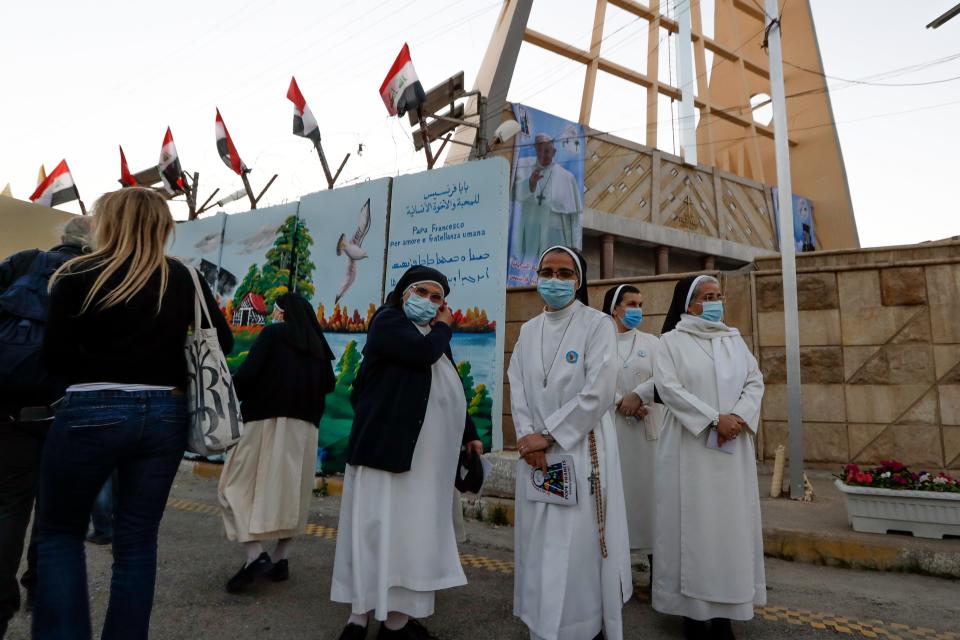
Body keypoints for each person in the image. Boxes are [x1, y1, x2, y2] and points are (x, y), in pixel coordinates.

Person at [34, 187, 233, 640]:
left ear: (106, 223)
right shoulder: (183, 277)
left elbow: (55, 358)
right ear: (163, 227)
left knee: (60, 535)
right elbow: (221, 343)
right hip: (165, 412)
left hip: (91, 407)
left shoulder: (75, 273)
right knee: (137, 542)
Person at [331, 265, 483, 640]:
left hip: (423, 462)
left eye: (437, 298)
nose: (429, 303)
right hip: (387, 451)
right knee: (374, 529)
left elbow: (447, 384)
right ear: (403, 293)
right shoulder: (388, 323)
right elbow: (420, 356)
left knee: (406, 536)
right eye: (423, 293)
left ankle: (395, 620)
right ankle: (360, 616)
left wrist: (470, 434)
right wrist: (445, 326)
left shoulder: (432, 336)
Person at [509, 246, 632, 640]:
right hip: (536, 456)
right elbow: (518, 387)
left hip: (581, 448)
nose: (555, 280)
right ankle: (542, 623)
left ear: (578, 281)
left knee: (580, 544)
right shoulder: (528, 331)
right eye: (547, 271)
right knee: (539, 541)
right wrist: (528, 438)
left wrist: (547, 436)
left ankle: (583, 626)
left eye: (565, 273)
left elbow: (599, 391)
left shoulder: (597, 325)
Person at [652, 275, 765, 640]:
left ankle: (725, 612)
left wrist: (739, 417)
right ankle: (693, 615)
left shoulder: (733, 339)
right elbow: (669, 388)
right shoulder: (670, 342)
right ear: (688, 303)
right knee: (691, 528)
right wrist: (715, 418)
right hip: (689, 448)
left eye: (718, 295)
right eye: (707, 296)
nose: (716, 302)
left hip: (731, 453)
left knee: (728, 531)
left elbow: (755, 381)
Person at [0, 216, 94, 639]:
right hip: (67, 409)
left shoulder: (23, 262)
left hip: (10, 410)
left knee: (8, 506)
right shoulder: (96, 277)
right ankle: (38, 588)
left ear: (62, 238)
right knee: (53, 509)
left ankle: (0, 604)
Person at [218, 291, 336, 593]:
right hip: (306, 431)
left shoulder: (273, 335)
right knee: (291, 496)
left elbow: (247, 377)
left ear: (283, 312)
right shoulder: (320, 347)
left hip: (264, 423)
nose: (274, 314)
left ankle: (255, 555)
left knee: (232, 487)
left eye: (276, 310)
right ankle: (281, 558)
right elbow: (329, 385)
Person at [600, 284, 664, 583]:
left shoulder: (652, 342)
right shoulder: (598, 342)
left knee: (650, 505)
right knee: (615, 504)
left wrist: (638, 395)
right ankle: (616, 577)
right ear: (614, 308)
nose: (637, 309)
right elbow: (592, 379)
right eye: (631, 304)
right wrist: (620, 402)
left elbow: (664, 378)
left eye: (640, 303)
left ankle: (658, 575)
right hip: (613, 435)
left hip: (646, 438)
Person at [513, 134, 582, 258]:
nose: (542, 154)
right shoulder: (523, 165)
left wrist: (576, 245)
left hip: (555, 236)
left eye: (547, 151)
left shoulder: (566, 177)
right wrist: (530, 183)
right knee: (528, 268)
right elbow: (514, 193)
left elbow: (575, 217)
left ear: (554, 152)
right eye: (539, 149)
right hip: (530, 232)